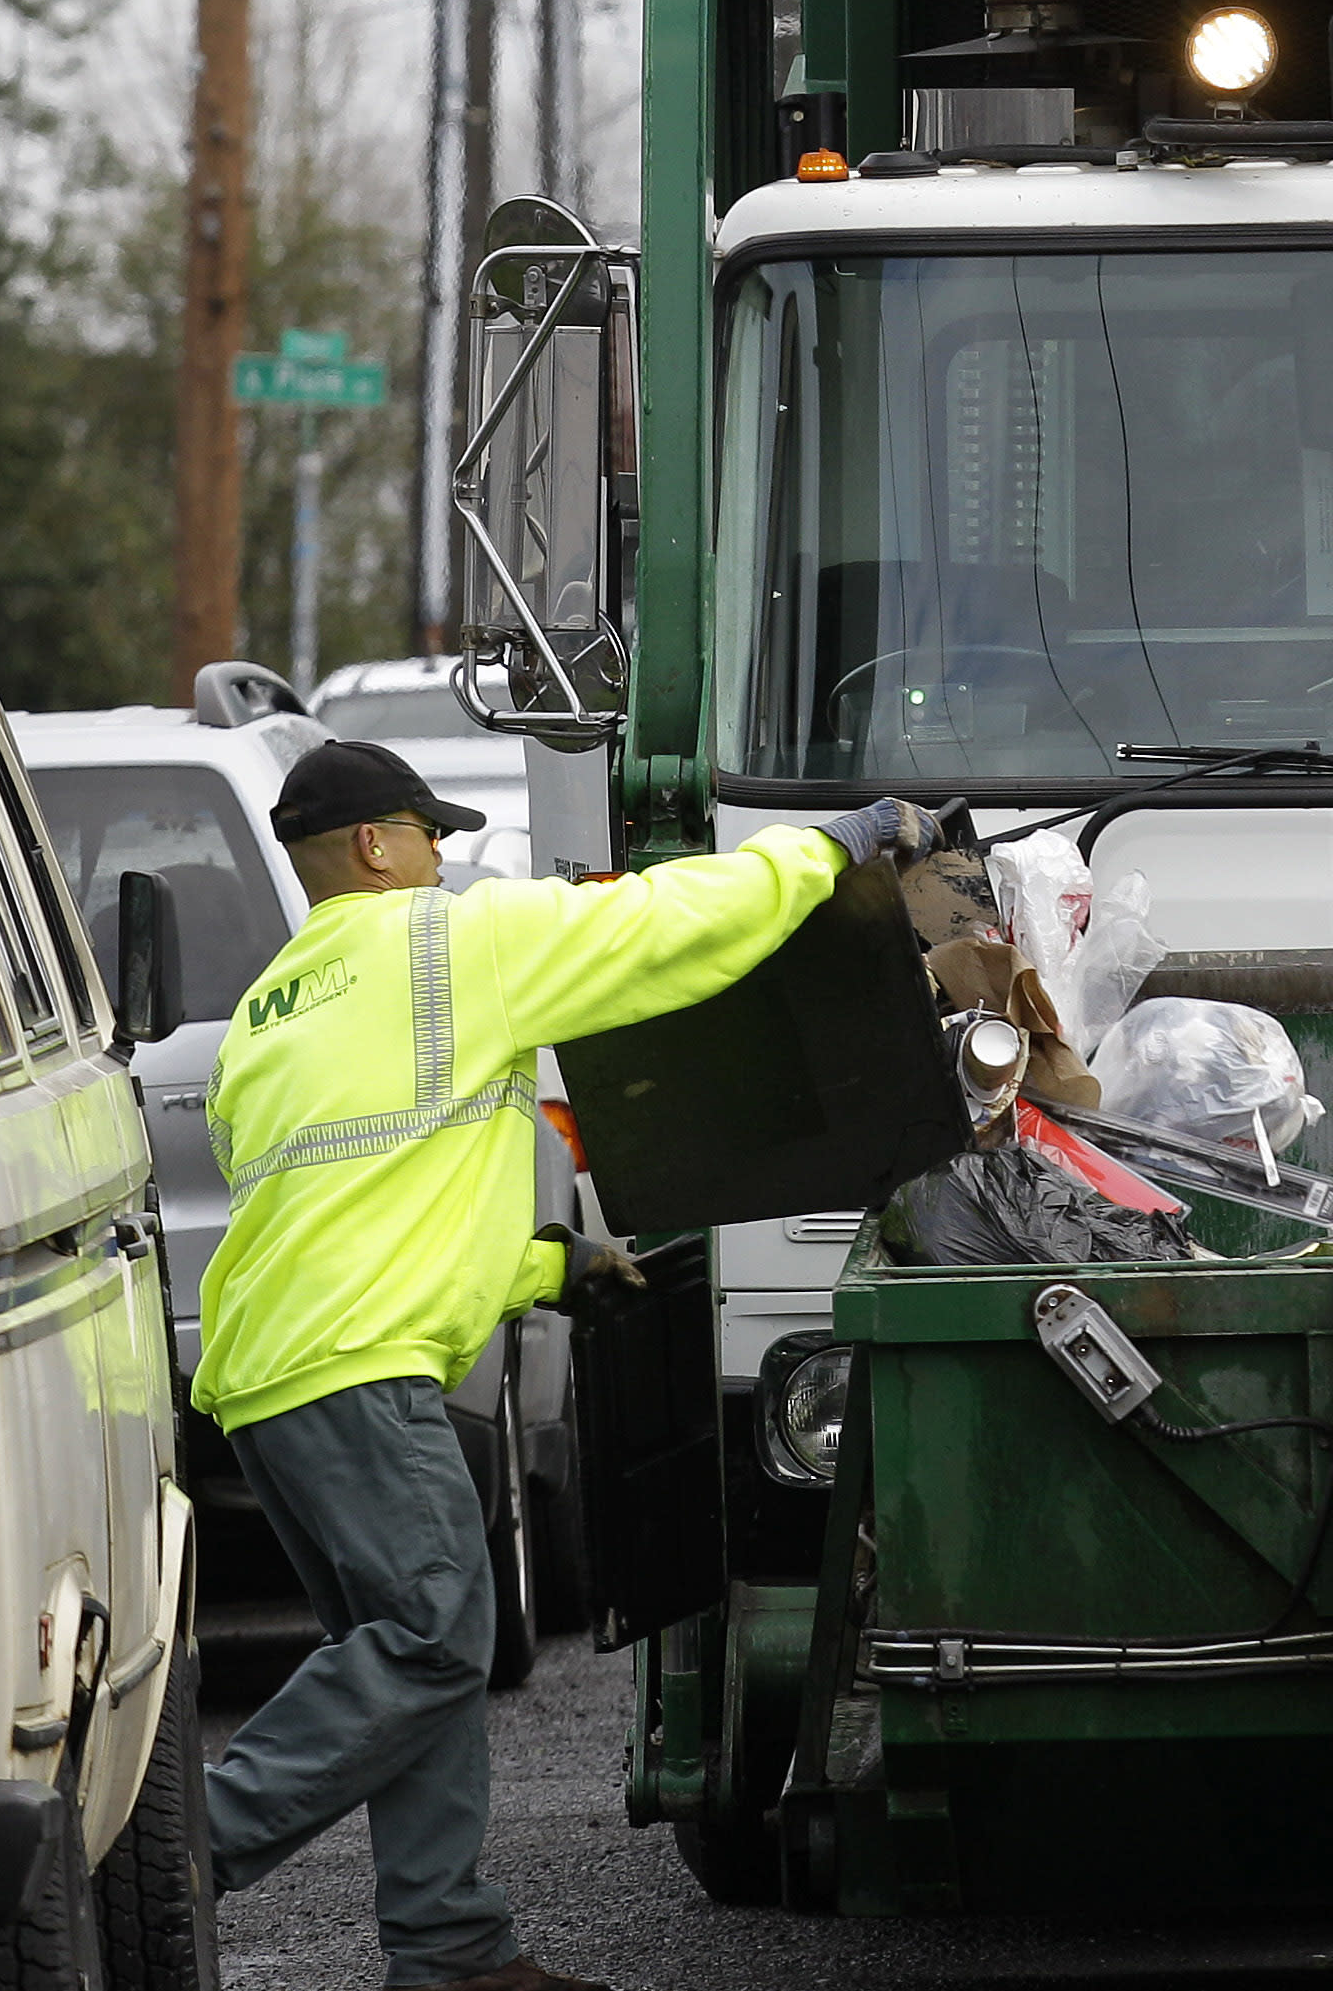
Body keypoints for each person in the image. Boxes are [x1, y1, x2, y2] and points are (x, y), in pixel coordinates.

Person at [195, 737, 935, 1991]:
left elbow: (369, 1202)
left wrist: (552, 1267)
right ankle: (184, 1850)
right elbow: (664, 925)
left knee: (411, 1658)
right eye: (429, 834)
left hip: (277, 1382)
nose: (444, 855)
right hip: (360, 1371)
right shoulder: (444, 943)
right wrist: (832, 845)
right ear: (378, 848)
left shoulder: (270, 1011)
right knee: (435, 1635)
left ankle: (452, 1950)